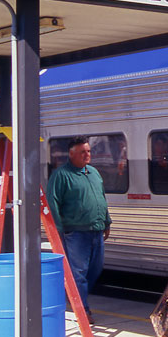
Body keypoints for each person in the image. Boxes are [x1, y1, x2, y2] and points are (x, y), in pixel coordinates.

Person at [46, 136, 112, 323]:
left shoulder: (93, 173)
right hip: (75, 233)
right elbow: (53, 204)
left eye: (89, 151)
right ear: (71, 154)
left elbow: (101, 198)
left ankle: (74, 297)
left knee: (96, 269)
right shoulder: (61, 175)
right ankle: (82, 309)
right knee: (79, 272)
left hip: (96, 231)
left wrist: (106, 222)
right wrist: (58, 232)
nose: (87, 155)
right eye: (82, 152)